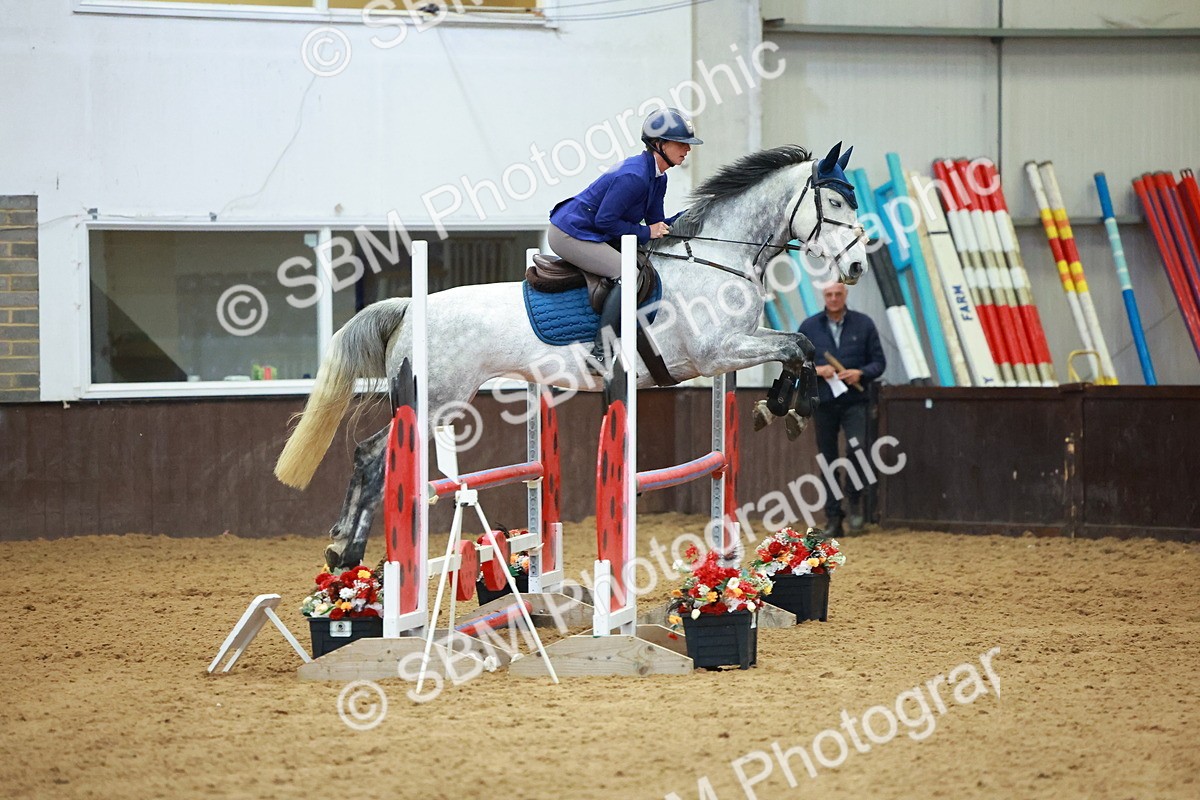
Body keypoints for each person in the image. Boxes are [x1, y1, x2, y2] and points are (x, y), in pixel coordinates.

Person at [547, 107, 702, 367]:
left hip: (593, 232)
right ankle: (601, 353)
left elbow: (656, 224)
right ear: (659, 144)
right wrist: (647, 231)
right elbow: (606, 221)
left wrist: (694, 215)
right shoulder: (635, 175)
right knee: (627, 273)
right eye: (681, 143)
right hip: (569, 233)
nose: (687, 149)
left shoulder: (658, 178)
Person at [798, 282, 886, 535]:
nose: (834, 298)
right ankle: (833, 517)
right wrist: (817, 370)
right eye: (829, 294)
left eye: (838, 294)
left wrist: (861, 373)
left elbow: (879, 362)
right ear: (823, 296)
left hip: (855, 401)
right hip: (823, 402)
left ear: (845, 295)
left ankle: (855, 504)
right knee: (828, 459)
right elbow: (795, 363)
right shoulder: (809, 327)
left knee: (857, 451)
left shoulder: (864, 324)